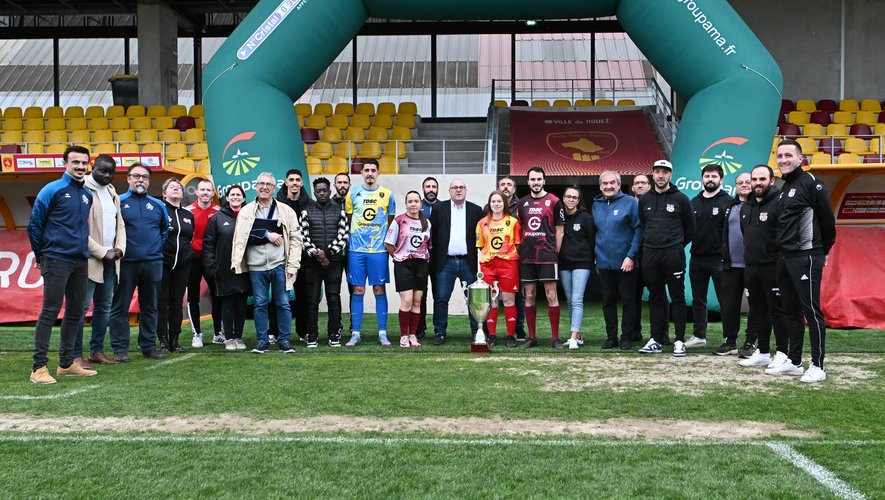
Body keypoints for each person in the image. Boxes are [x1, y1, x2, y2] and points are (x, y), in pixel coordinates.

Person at [766, 139, 836, 383]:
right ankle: (795, 362)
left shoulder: (811, 183)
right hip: (784, 257)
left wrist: (824, 250)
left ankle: (818, 365)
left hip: (806, 256)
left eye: (788, 155)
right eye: (780, 156)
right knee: (791, 311)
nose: (783, 160)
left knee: (811, 311)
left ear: (800, 158)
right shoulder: (784, 187)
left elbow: (828, 221)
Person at [27, 145, 97, 383]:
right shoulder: (52, 189)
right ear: (65, 164)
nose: (80, 166)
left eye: (84, 162)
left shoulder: (87, 194)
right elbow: (34, 225)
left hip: (80, 260)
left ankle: (66, 364)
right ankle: (38, 368)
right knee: (50, 310)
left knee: (77, 311)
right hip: (56, 258)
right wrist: (41, 256)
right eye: (75, 162)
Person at [231, 172, 303, 353]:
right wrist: (266, 234)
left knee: (283, 304)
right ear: (256, 187)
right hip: (256, 267)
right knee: (260, 304)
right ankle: (262, 340)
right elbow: (240, 238)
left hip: (280, 265)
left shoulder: (286, 211)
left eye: (268, 184)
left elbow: (296, 239)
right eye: (261, 184)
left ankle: (284, 340)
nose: (264, 187)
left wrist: (293, 264)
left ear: (274, 188)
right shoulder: (246, 211)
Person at [108, 163, 169, 361]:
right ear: (128, 178)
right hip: (125, 263)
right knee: (120, 306)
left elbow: (163, 232)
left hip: (153, 263)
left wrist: (152, 249)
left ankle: (148, 346)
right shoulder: (118, 202)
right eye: (136, 176)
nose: (140, 180)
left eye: (144, 177)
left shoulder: (158, 205)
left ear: (149, 181)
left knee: (150, 307)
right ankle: (120, 348)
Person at [637, 160, 695, 356]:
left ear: (670, 175)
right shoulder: (645, 199)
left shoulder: (681, 199)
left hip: (673, 254)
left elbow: (690, 229)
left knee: (677, 297)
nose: (661, 175)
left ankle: (679, 340)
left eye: (665, 172)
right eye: (657, 172)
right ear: (652, 174)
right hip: (650, 253)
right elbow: (644, 226)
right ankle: (656, 339)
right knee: (655, 297)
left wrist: (676, 245)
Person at [76, 154, 126, 367]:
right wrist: (101, 252)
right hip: (88, 260)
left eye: (111, 172)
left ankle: (96, 351)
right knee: (80, 308)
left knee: (104, 307)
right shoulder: (82, 189)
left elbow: (120, 224)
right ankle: (74, 354)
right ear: (92, 167)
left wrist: (120, 248)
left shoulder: (113, 192)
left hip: (111, 260)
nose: (107, 175)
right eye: (103, 170)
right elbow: (78, 229)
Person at [739, 165, 789, 369]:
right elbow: (746, 234)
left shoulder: (780, 202)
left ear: (772, 181)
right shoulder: (746, 205)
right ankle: (764, 351)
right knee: (758, 310)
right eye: (754, 179)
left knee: (778, 310)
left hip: (774, 266)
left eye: (762, 179)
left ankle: (783, 353)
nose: (757, 183)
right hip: (751, 266)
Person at [344, 159, 396, 346]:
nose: (370, 173)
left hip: (378, 250)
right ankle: (355, 333)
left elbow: (391, 222)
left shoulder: (387, 195)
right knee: (358, 289)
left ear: (378, 173)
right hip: (356, 249)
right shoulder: (352, 194)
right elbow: (349, 219)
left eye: (373, 170)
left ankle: (382, 333)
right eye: (366, 170)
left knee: (379, 289)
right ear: (361, 173)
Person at [428, 179, 483, 345]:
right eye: (455, 187)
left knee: (473, 299)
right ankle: (440, 333)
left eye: (461, 187)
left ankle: (477, 332)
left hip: (468, 262)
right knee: (441, 298)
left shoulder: (476, 210)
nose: (458, 190)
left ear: (466, 190)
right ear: (449, 191)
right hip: (446, 262)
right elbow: (433, 235)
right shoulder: (439, 208)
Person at [592, 172, 643, 350]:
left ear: (619, 185)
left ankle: (626, 337)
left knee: (629, 301)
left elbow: (639, 231)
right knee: (608, 301)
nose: (608, 186)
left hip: (626, 262)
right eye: (605, 183)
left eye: (612, 183)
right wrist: (596, 258)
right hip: (604, 263)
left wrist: (631, 256)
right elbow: (595, 233)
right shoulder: (596, 205)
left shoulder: (630, 203)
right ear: (600, 186)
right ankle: (611, 337)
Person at [685, 164, 733, 350]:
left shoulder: (728, 201)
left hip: (719, 260)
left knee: (725, 300)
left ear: (721, 180)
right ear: (702, 179)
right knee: (698, 299)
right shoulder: (694, 202)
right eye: (707, 176)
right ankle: (699, 335)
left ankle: (729, 337)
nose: (710, 179)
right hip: (697, 258)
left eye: (714, 176)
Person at [517, 166, 565, 349]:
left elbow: (560, 230)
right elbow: (520, 229)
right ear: (528, 182)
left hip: (547, 255)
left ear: (544, 181)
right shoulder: (522, 203)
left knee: (551, 294)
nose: (536, 182)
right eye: (533, 179)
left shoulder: (554, 201)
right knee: (529, 294)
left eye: (539, 179)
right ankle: (532, 337)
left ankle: (555, 338)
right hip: (527, 256)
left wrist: (554, 252)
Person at [300, 177, 349, 347]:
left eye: (324, 190)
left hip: (333, 262)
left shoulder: (339, 211)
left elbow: (343, 236)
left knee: (333, 298)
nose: (322, 193)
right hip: (312, 263)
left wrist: (326, 253)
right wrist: (317, 254)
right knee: (312, 300)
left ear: (330, 191)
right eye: (318, 190)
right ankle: (312, 336)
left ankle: (333, 335)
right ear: (314, 192)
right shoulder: (306, 211)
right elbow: (303, 237)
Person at [203, 185, 251, 350]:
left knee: (241, 305)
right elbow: (208, 245)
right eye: (232, 194)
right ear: (228, 198)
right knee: (228, 305)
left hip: (244, 268)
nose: (235, 197)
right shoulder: (216, 218)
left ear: (243, 198)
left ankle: (239, 337)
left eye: (239, 194)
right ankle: (229, 338)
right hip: (224, 269)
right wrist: (211, 267)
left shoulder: (250, 217)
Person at [385, 191, 432, 348]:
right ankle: (404, 336)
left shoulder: (426, 223)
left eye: (416, 201)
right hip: (403, 264)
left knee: (417, 302)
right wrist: (398, 256)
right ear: (406, 204)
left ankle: (413, 335)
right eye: (410, 201)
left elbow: (428, 245)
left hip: (421, 264)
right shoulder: (399, 221)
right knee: (407, 301)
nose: (413, 204)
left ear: (420, 204)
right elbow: (388, 243)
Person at [475, 191, 522, 347]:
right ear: (489, 204)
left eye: (499, 201)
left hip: (508, 265)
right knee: (492, 301)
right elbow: (480, 245)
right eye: (493, 201)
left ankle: (510, 335)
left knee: (508, 300)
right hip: (488, 265)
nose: (496, 204)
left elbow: (517, 244)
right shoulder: (482, 223)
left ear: (504, 204)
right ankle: (492, 335)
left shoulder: (513, 222)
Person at [717, 172, 756, 356]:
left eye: (748, 182)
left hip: (753, 266)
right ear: (735, 186)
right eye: (740, 182)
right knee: (729, 305)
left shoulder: (759, 205)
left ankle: (750, 341)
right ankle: (729, 341)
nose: (744, 185)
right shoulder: (729, 206)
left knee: (755, 305)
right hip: (730, 266)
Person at [157, 178, 194, 353]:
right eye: (172, 187)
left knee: (177, 303)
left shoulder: (188, 214)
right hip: (163, 263)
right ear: (164, 193)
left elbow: (188, 238)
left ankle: (175, 339)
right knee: (162, 303)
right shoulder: (160, 210)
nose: (176, 189)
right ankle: (163, 340)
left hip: (182, 265)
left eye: (179, 187)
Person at [274, 168, 310, 343]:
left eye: (297, 180)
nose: (294, 183)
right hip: (281, 254)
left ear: (301, 183)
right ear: (286, 182)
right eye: (291, 180)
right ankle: (274, 331)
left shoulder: (309, 204)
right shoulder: (277, 204)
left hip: (303, 256)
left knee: (303, 294)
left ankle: (303, 331)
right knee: (279, 294)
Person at [185, 179, 222, 348]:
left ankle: (218, 333)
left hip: (212, 259)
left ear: (213, 193)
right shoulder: (188, 211)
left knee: (218, 295)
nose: (205, 193)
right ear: (196, 192)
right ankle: (197, 334)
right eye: (202, 190)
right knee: (193, 297)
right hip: (193, 259)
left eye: (208, 190)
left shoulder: (219, 212)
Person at [559, 186, 596, 350]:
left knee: (577, 299)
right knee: (569, 300)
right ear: (563, 198)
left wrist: (594, 261)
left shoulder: (586, 218)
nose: (571, 199)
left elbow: (592, 240)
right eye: (568, 196)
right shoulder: (559, 217)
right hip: (564, 263)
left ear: (578, 200)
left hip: (582, 262)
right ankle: (578, 335)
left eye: (574, 197)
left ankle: (573, 337)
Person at [497, 175, 527, 341]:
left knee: (518, 294)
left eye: (509, 184)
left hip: (516, 257)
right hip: (495, 259)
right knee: (494, 296)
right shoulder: (490, 206)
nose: (506, 187)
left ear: (514, 189)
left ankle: (518, 328)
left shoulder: (521, 206)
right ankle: (489, 330)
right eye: (502, 184)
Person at [415, 176, 440, 340]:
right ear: (423, 189)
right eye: (428, 186)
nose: (431, 189)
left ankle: (439, 329)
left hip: (439, 259)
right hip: (421, 259)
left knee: (438, 295)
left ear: (437, 189)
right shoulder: (418, 207)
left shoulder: (444, 207)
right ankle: (419, 328)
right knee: (420, 294)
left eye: (433, 186)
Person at [630, 174, 652, 344]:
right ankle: (634, 332)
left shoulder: (655, 202)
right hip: (633, 256)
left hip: (652, 253)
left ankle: (660, 333)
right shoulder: (628, 205)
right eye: (637, 183)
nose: (640, 185)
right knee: (633, 295)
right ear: (632, 188)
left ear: (649, 186)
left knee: (657, 294)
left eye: (643, 183)